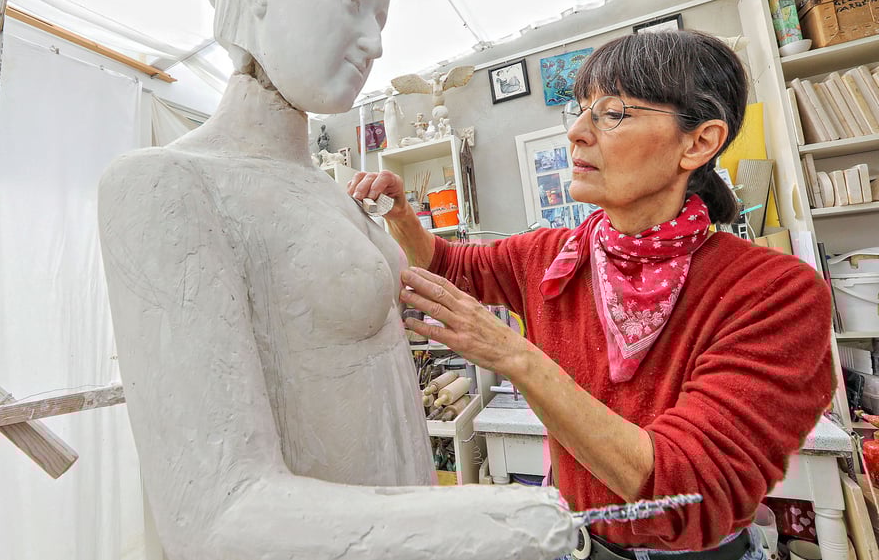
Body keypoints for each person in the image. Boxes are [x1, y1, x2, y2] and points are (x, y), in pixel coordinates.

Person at [98, 0, 574, 559]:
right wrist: (497, 521)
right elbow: (216, 516)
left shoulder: (337, 192)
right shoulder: (166, 183)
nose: (376, 43)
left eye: (380, 19)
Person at [350, 31, 834, 558]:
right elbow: (450, 265)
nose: (578, 133)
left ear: (698, 143)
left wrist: (516, 357)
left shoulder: (773, 291)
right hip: (579, 541)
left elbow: (686, 494)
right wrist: (403, 218)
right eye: (580, 111)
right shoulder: (554, 256)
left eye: (614, 114)